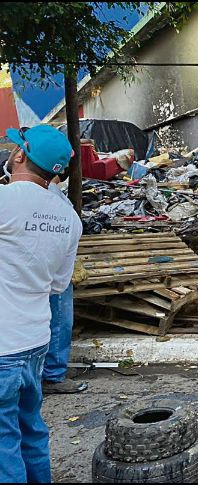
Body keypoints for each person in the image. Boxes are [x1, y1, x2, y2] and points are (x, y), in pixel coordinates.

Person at [0, 125, 81, 483]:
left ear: (19, 155)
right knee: (31, 430)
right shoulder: (69, 218)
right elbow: (58, 285)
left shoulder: (5, 202)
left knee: (4, 443)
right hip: (35, 343)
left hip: (3, 346)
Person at [43, 169, 88, 394]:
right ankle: (53, 376)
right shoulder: (53, 199)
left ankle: (47, 373)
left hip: (42, 270)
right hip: (53, 272)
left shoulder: (18, 193)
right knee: (59, 320)